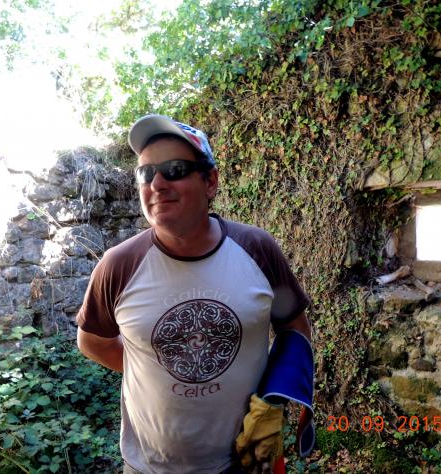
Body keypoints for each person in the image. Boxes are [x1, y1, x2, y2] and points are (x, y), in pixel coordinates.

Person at [76, 114, 314, 474]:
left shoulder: (257, 250)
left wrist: (277, 396)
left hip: (247, 462)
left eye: (174, 170)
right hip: (149, 467)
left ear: (210, 182)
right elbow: (92, 341)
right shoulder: (118, 266)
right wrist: (160, 368)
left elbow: (294, 329)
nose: (156, 183)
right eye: (145, 173)